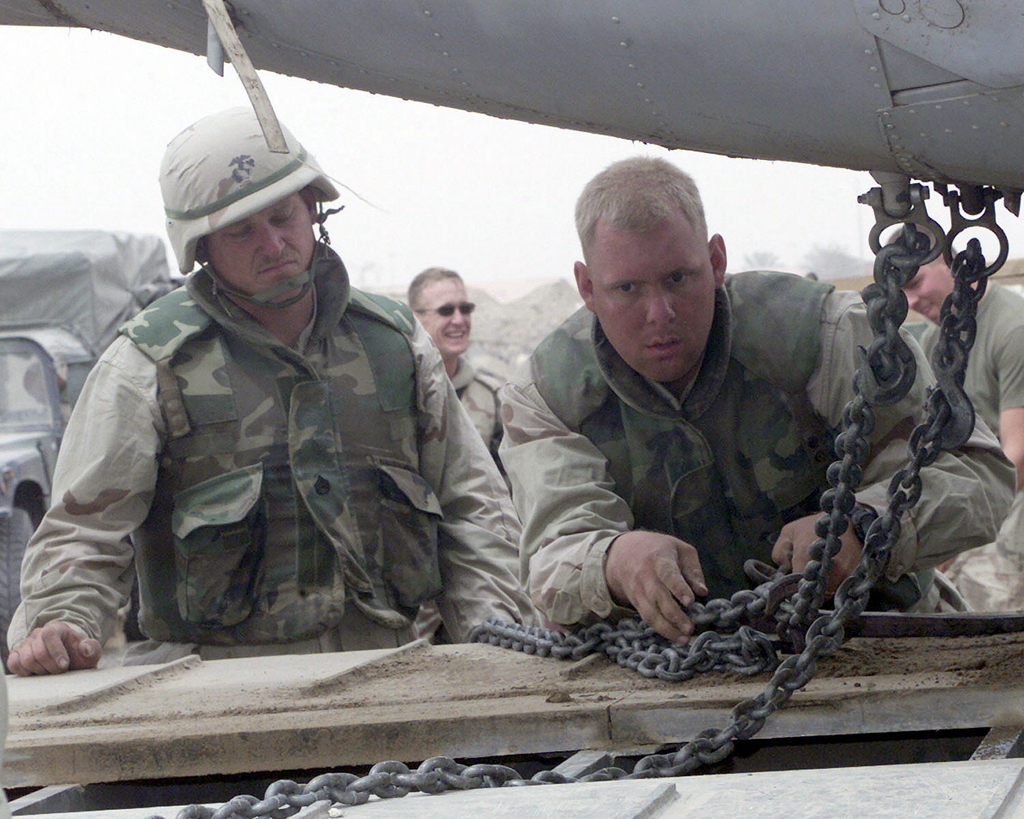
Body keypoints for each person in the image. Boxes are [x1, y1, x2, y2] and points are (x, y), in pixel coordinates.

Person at [6, 107, 534, 675]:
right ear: (203, 248)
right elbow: (83, 530)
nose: (273, 242)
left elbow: (473, 506)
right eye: (241, 231)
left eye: (283, 215)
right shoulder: (149, 364)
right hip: (212, 690)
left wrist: (492, 629)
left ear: (313, 209)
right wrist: (61, 620)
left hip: (391, 671)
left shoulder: (397, 346)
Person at [499, 156, 1014, 644]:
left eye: (679, 279)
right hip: (676, 666)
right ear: (587, 288)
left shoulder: (828, 335)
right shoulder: (550, 394)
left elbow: (978, 475)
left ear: (717, 260)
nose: (660, 313)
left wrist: (863, 525)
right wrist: (615, 560)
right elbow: (552, 553)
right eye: (627, 289)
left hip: (879, 634)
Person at [902, 241, 1024, 610]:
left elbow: (1018, 456)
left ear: (950, 263)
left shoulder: (1012, 329)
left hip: (1013, 486)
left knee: (985, 599)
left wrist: (956, 537)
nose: (911, 300)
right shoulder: (933, 341)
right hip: (979, 488)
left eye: (917, 282)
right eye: (903, 291)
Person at [408, 268, 505, 464]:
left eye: (465, 309)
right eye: (446, 311)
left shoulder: (490, 397)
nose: (459, 320)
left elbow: (506, 479)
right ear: (415, 317)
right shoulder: (397, 391)